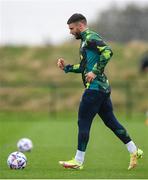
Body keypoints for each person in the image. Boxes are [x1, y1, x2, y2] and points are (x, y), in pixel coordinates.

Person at [57, 13, 143, 170]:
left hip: (95, 89)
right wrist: (67, 67)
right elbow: (84, 68)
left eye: (71, 28)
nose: (70, 32)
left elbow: (108, 51)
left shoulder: (90, 37)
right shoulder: (85, 41)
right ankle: (134, 150)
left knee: (83, 121)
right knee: (110, 121)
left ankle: (78, 161)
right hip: (102, 89)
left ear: (80, 25)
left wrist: (95, 71)